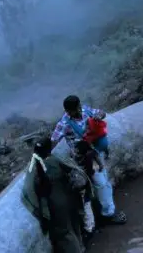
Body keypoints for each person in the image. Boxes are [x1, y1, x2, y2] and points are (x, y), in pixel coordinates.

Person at [50, 95, 125, 225]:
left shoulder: (86, 110)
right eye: (75, 109)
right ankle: (108, 214)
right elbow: (53, 140)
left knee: (103, 181)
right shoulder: (64, 124)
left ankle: (104, 209)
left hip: (96, 152)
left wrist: (99, 116)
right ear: (68, 111)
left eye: (79, 106)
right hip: (84, 158)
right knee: (101, 183)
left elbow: (101, 113)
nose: (79, 110)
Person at [21, 138, 92, 252]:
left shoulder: (34, 167)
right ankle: (81, 247)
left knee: (64, 233)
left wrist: (38, 210)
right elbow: (75, 169)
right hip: (70, 197)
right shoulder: (56, 158)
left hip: (55, 204)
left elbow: (27, 191)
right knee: (75, 224)